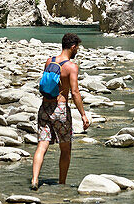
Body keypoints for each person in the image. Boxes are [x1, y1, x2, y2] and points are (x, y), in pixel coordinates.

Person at [31, 32, 90, 189]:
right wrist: (83, 114)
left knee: (42, 145)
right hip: (60, 109)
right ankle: (62, 183)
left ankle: (35, 180)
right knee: (65, 149)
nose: (77, 50)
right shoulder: (71, 67)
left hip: (44, 107)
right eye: (77, 48)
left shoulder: (50, 61)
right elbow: (75, 92)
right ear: (72, 47)